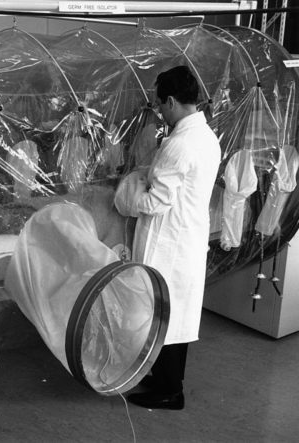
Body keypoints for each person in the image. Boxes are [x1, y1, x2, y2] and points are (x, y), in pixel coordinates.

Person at [124, 65, 221, 410]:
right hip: (186, 237)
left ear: (170, 101)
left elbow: (154, 201)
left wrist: (127, 195)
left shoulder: (179, 143)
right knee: (172, 313)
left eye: (160, 105)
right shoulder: (206, 136)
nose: (160, 112)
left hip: (170, 242)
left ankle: (170, 391)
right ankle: (162, 378)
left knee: (167, 313)